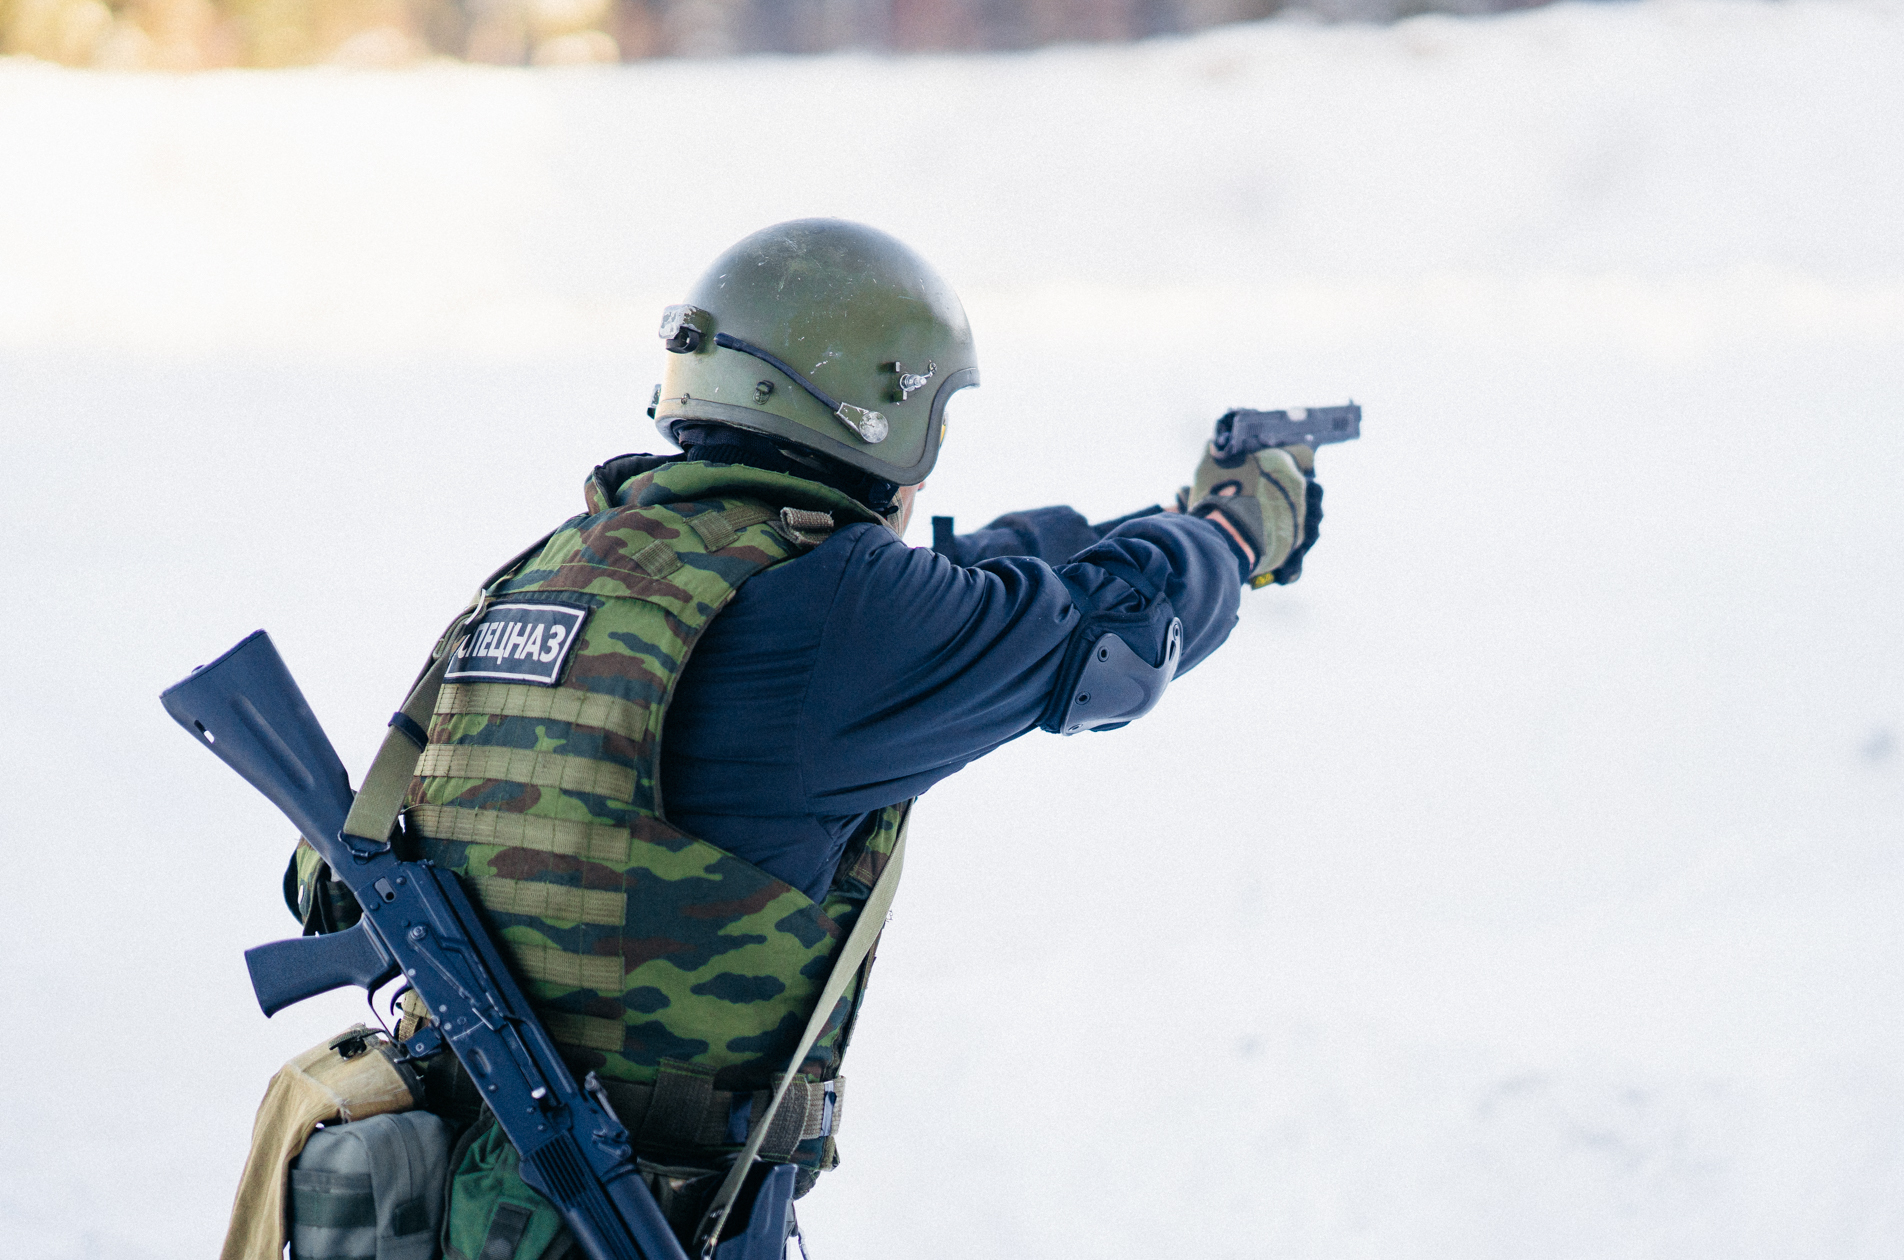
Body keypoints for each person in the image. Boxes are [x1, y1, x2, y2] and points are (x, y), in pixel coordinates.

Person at [284, 217, 1323, 1259]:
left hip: (457, 1194)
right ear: (881, 414)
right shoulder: (841, 615)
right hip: (627, 1218)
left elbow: (980, 597)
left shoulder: (560, 568)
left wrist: (1152, 518)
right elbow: (1109, 641)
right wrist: (1234, 529)